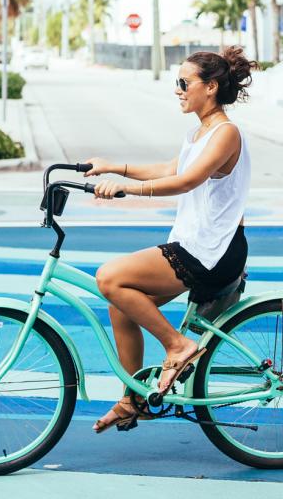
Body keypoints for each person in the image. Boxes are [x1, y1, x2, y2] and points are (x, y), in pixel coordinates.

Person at [84, 46, 255, 434]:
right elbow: (168, 169)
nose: (178, 90)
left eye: (184, 82)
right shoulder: (200, 131)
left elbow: (186, 181)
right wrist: (111, 165)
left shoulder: (226, 133)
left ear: (210, 87)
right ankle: (134, 401)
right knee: (122, 305)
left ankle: (179, 346)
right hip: (196, 244)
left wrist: (125, 191)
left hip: (213, 250)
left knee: (110, 278)